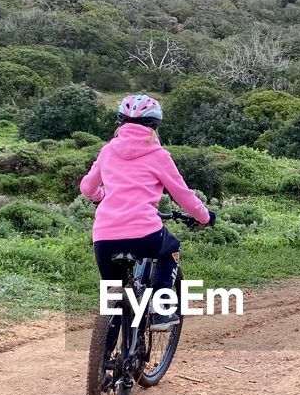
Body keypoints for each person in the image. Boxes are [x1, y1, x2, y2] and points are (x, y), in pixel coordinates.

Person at [80, 94, 215, 330]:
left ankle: (103, 362)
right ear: (154, 126)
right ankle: (160, 310)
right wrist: (204, 217)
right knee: (171, 247)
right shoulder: (158, 155)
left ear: (121, 122)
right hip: (144, 234)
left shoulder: (108, 151)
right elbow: (182, 195)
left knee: (114, 302)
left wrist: (101, 197)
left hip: (103, 237)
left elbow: (87, 188)